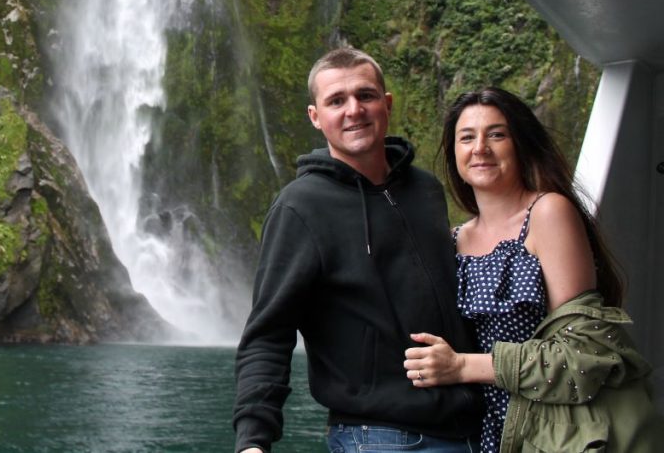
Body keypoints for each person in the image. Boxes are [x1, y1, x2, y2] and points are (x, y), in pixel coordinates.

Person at [233, 47, 482, 453]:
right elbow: (268, 332)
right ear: (316, 117)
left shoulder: (426, 190)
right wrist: (253, 440)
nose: (354, 110)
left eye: (365, 96)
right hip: (381, 437)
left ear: (386, 104)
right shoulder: (300, 207)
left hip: (475, 427)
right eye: (336, 100)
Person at [403, 87, 663, 452]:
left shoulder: (548, 213)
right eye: (467, 137)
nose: (480, 147)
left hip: (564, 430)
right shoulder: (454, 241)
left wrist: (463, 367)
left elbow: (584, 355)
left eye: (497, 134)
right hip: (494, 432)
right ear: (454, 154)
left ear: (520, 144)